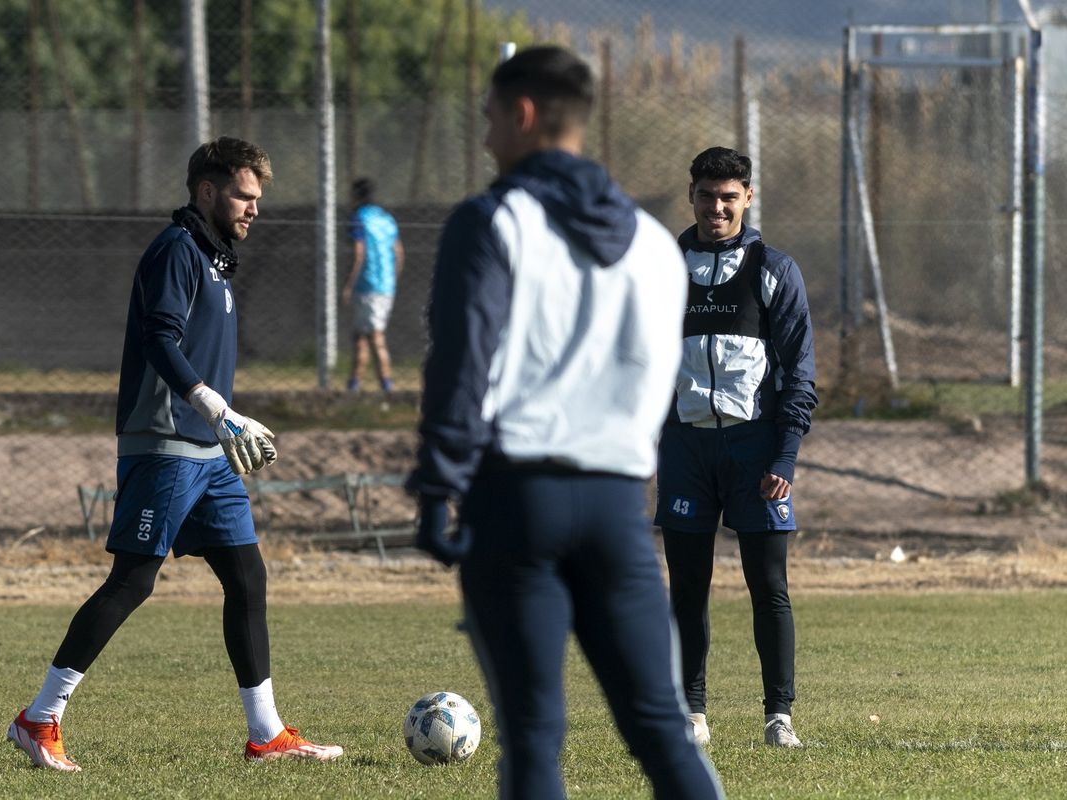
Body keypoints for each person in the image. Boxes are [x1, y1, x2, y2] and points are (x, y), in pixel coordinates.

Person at [407, 46, 724, 800]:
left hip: (514, 499)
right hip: (616, 505)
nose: (485, 138)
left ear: (522, 115)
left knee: (533, 739)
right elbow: (656, 372)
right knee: (662, 730)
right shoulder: (654, 244)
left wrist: (434, 489)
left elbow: (461, 366)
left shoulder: (491, 221)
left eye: (489, 119)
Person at [6, 137, 343, 771]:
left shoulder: (216, 260)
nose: (254, 209)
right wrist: (216, 406)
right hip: (164, 447)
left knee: (247, 579)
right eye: (244, 195)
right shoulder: (177, 251)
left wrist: (225, 421)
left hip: (209, 456)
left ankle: (265, 734)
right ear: (207, 191)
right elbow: (159, 338)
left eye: (258, 199)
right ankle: (38, 718)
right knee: (133, 582)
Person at [655, 146, 818, 749]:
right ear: (691, 195)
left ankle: (780, 716)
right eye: (707, 195)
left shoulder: (775, 269)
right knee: (687, 588)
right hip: (686, 454)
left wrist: (785, 456)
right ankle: (692, 713)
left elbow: (800, 374)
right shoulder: (661, 268)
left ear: (747, 198)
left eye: (729, 196)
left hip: (756, 454)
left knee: (768, 586)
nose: (717, 207)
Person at [341, 176, 404, 394]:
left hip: (366, 285)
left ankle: (384, 384)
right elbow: (399, 253)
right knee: (363, 334)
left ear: (356, 195)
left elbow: (359, 253)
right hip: (386, 286)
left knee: (372, 336)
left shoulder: (359, 218)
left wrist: (348, 284)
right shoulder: (386, 218)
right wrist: (392, 280)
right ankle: (356, 383)